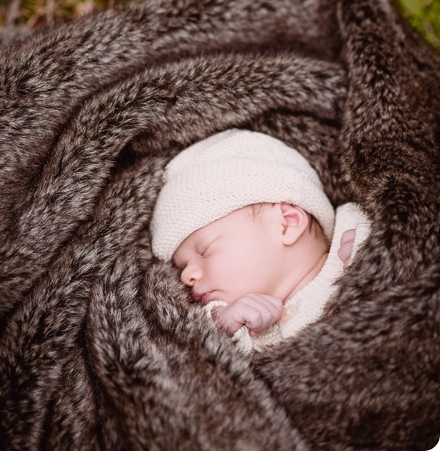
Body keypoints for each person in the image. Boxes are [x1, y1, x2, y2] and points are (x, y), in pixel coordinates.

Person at [151, 129, 370, 352]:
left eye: (205, 250)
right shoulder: (242, 331)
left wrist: (373, 251)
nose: (187, 276)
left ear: (287, 223)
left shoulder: (355, 235)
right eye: (182, 266)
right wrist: (223, 327)